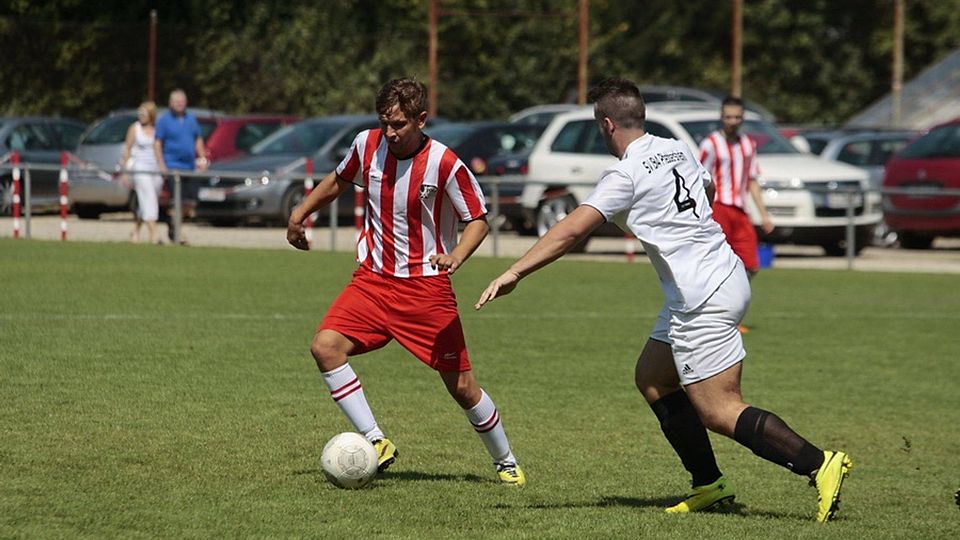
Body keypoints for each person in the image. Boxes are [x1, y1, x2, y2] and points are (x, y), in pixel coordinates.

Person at [476, 78, 851, 519]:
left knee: (719, 407)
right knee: (653, 377)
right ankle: (709, 484)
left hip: (701, 295)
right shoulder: (675, 147)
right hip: (719, 274)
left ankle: (819, 463)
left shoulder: (625, 171)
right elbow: (706, 191)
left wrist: (516, 269)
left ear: (607, 124)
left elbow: (575, 227)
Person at [286, 78, 525, 486]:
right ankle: (376, 441)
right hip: (372, 282)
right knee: (325, 347)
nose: (390, 132)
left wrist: (456, 256)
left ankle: (505, 460)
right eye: (385, 123)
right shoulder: (366, 145)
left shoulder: (445, 163)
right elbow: (339, 180)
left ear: (421, 119)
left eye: (398, 124)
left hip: (426, 291)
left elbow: (478, 221)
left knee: (464, 388)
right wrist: (299, 213)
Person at [698, 96, 774, 333]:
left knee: (751, 265)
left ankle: (730, 312)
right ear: (721, 117)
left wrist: (764, 214)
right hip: (718, 208)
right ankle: (718, 316)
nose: (733, 121)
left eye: (737, 117)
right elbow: (700, 178)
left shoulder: (748, 145)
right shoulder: (710, 144)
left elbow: (751, 180)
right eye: (728, 116)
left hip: (740, 211)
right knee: (718, 265)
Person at [153, 89, 208, 243]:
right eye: (176, 101)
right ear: (170, 103)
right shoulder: (164, 120)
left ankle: (173, 225)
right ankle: (178, 232)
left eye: (182, 101)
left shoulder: (191, 119)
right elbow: (157, 143)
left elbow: (198, 139)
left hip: (189, 167)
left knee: (190, 202)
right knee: (176, 200)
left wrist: (202, 157)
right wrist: (161, 165)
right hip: (172, 166)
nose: (179, 104)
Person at [119, 101, 163, 244]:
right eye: (139, 114)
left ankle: (136, 230)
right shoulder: (135, 128)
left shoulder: (158, 129)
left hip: (155, 169)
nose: (141, 116)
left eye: (143, 114)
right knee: (149, 198)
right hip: (140, 168)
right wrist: (125, 171)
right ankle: (154, 234)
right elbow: (127, 149)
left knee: (147, 201)